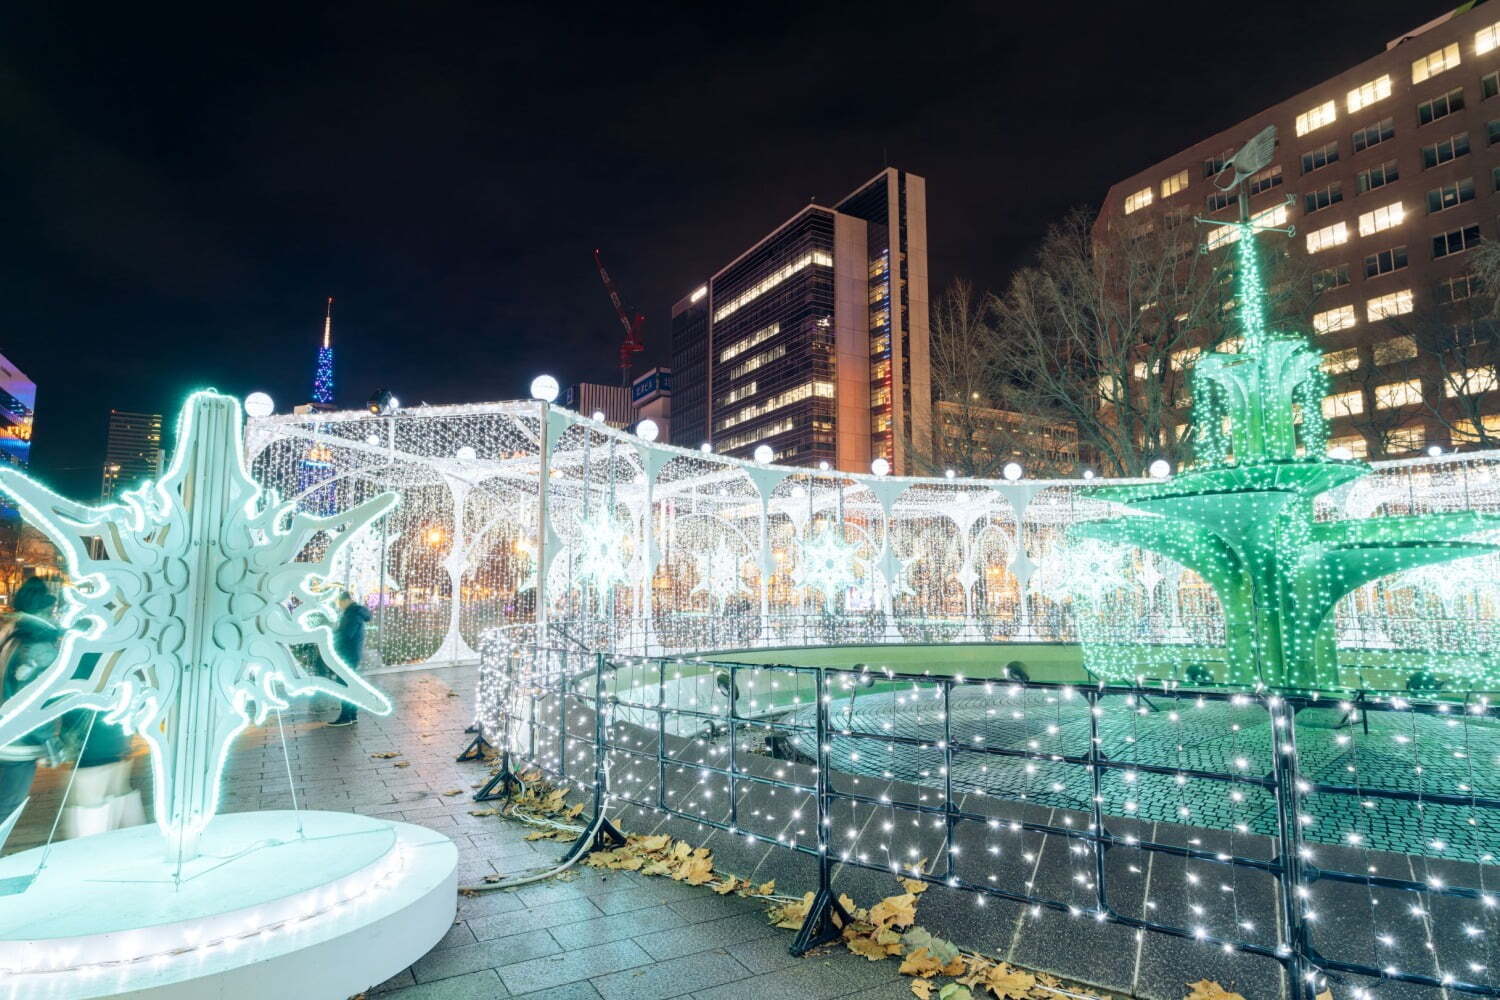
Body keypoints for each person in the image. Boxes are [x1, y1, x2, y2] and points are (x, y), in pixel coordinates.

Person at [0, 578, 64, 823]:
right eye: (51, 610)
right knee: (8, 805)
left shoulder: (12, 638)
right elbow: (36, 702)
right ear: (43, 611)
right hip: (19, 743)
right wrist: (49, 740)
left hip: (6, 734)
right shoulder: (41, 648)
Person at [328, 590, 371, 727]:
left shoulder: (352, 614)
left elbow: (347, 634)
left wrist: (332, 637)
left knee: (344, 684)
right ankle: (351, 714)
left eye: (339, 602)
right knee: (349, 684)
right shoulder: (355, 612)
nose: (339, 605)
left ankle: (346, 716)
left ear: (345, 600)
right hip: (352, 653)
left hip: (348, 654)